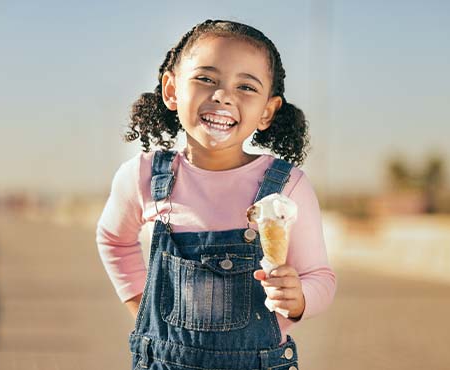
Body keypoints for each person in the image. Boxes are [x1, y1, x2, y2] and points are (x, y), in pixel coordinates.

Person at [96, 19, 337, 370]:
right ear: (171, 90)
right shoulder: (144, 176)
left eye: (246, 87)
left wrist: (299, 298)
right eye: (206, 79)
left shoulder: (287, 186)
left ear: (267, 111)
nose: (223, 95)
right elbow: (113, 239)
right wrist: (141, 304)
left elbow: (320, 278)